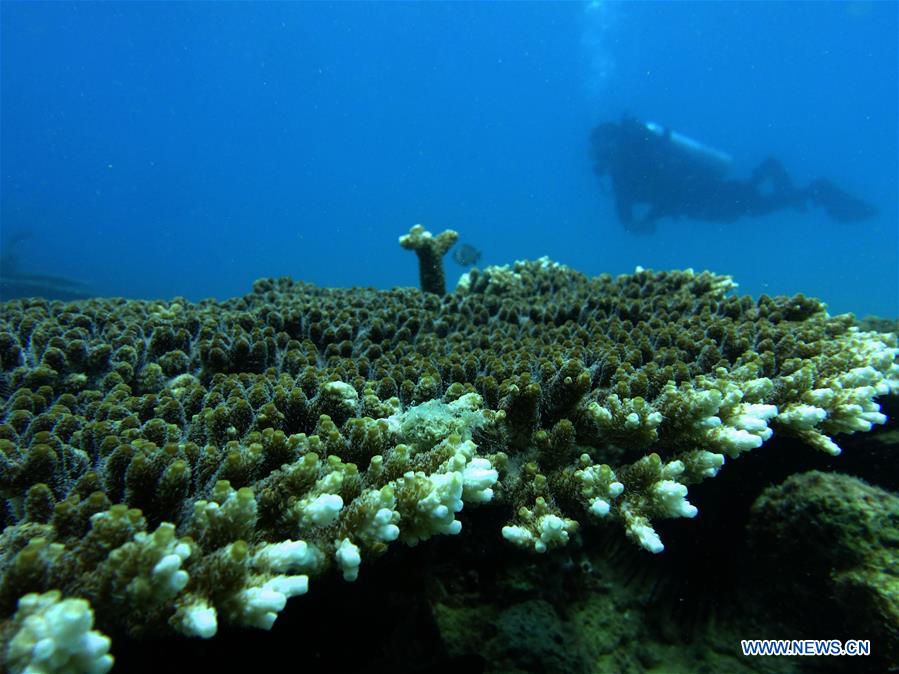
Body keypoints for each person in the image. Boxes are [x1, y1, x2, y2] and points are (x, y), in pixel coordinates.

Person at [590, 115, 877, 233]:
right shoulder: (625, 169)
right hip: (700, 197)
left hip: (702, 194)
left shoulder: (634, 162)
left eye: (601, 147)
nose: (600, 154)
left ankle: (815, 189)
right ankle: (779, 175)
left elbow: (664, 192)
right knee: (749, 202)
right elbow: (628, 215)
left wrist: (649, 219)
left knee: (751, 205)